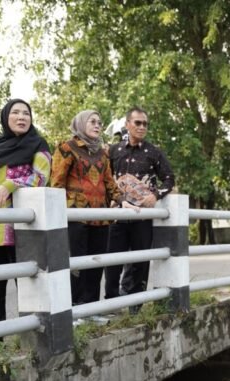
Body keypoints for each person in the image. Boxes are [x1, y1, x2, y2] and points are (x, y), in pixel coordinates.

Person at [0, 99, 51, 324]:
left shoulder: (38, 145)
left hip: (22, 225)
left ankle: (31, 333)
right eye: (15, 113)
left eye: (26, 113)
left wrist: (11, 184)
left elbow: (41, 177)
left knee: (26, 282)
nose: (21, 117)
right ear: (6, 117)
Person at [51, 110, 122, 305]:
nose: (97, 125)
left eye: (100, 122)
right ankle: (74, 308)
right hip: (75, 216)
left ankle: (91, 309)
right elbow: (56, 183)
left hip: (101, 217)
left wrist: (121, 199)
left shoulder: (102, 153)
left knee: (96, 264)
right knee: (77, 264)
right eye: (92, 122)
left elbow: (109, 182)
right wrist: (57, 213)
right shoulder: (67, 148)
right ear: (81, 124)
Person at [105, 106, 175, 301]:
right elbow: (106, 178)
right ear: (127, 124)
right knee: (112, 261)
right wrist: (110, 198)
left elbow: (169, 179)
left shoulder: (154, 152)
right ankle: (111, 303)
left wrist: (156, 195)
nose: (142, 127)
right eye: (138, 122)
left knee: (140, 261)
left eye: (145, 123)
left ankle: (136, 305)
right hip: (117, 215)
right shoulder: (113, 150)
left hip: (142, 216)